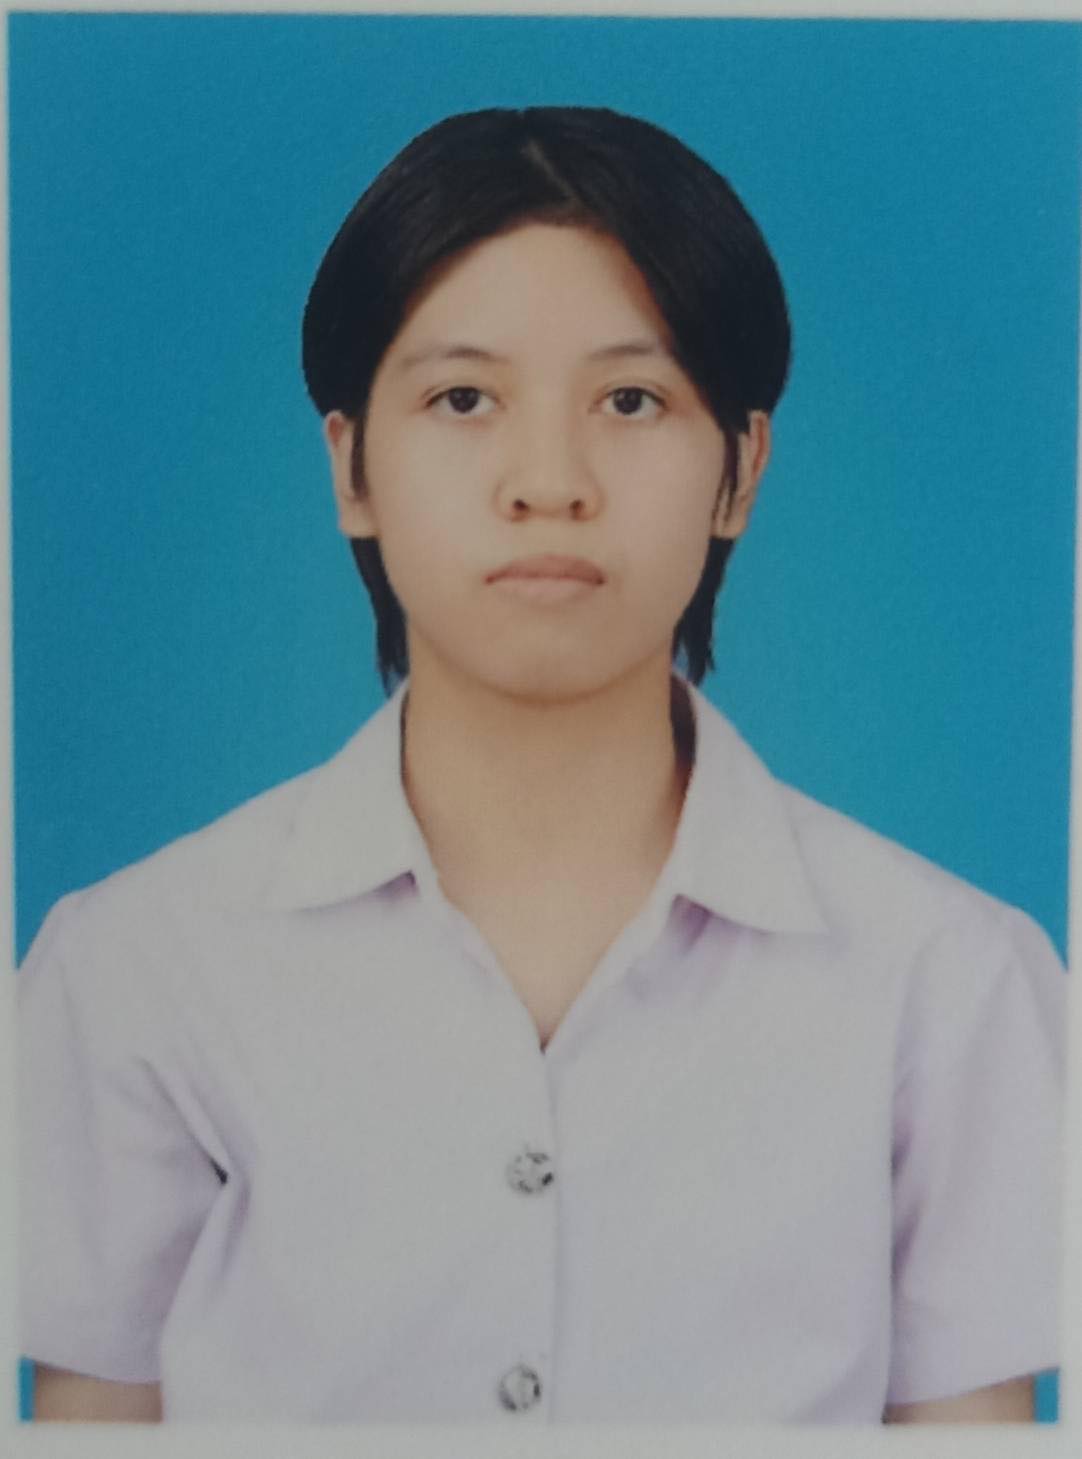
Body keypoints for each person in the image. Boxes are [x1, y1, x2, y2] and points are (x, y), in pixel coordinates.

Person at [19, 106, 1064, 1425]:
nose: (548, 481)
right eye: (463, 399)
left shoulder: (947, 986)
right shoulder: (135, 971)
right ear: (350, 467)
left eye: (631, 400)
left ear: (740, 471)